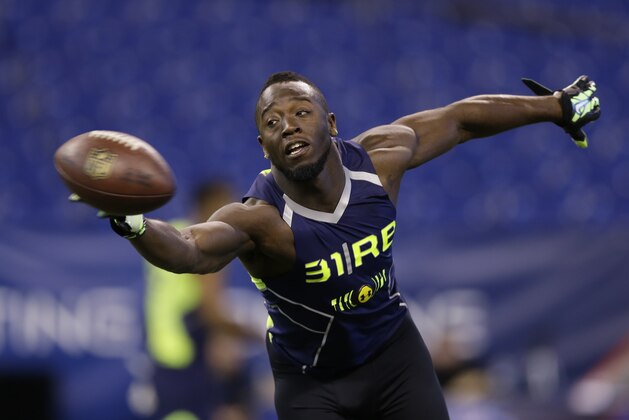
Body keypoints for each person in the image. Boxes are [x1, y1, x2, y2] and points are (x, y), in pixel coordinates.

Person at [102, 71, 600, 419]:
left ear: (331, 124)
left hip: (394, 355)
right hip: (311, 384)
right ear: (263, 147)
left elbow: (461, 119)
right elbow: (190, 249)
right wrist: (136, 225)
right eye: (271, 123)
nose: (288, 125)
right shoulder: (262, 219)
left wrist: (555, 106)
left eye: (300, 112)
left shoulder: (379, 161)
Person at [143, 180, 260, 420]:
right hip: (190, 358)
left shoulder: (167, 234)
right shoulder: (208, 243)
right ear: (209, 206)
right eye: (227, 206)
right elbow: (210, 312)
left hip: (162, 355)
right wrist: (262, 335)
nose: (235, 214)